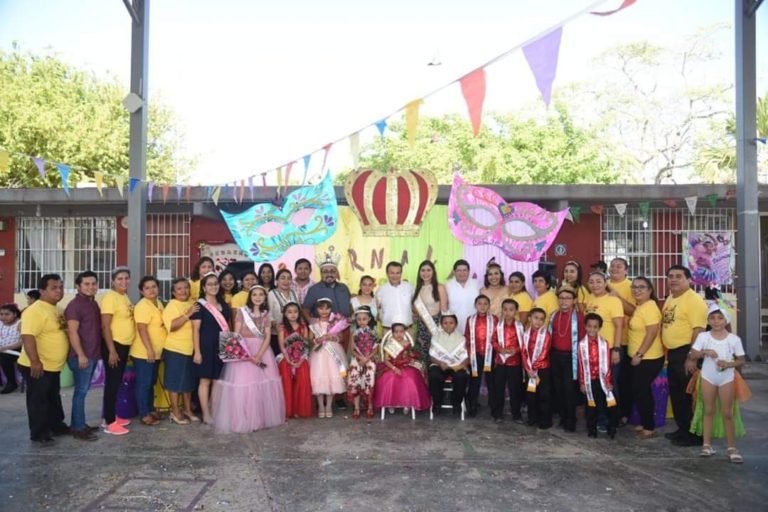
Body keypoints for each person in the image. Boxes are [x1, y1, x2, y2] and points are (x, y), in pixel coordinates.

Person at [212, 285, 285, 433]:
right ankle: (243, 420)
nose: (257, 297)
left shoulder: (266, 315)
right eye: (254, 295)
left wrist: (258, 355)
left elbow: (267, 337)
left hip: (262, 352)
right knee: (243, 388)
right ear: (250, 297)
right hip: (243, 353)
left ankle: (260, 419)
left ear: (265, 298)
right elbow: (236, 335)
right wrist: (247, 355)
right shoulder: (241, 312)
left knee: (261, 387)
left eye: (261, 295)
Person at [687, 306, 746, 463]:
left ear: (726, 320)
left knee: (727, 412)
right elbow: (693, 354)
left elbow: (741, 360)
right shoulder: (703, 336)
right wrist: (705, 352)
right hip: (708, 376)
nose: (716, 321)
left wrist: (729, 364)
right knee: (708, 409)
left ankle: (732, 447)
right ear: (708, 320)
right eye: (712, 318)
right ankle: (706, 445)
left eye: (720, 318)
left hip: (726, 377)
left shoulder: (734, 339)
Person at [17, 274, 69, 445]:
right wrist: (35, 361)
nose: (59, 290)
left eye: (61, 287)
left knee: (53, 396)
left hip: (53, 366)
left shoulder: (57, 309)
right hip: (38, 365)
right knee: (39, 400)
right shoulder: (35, 310)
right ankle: (39, 433)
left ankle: (56, 425)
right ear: (42, 291)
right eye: (54, 287)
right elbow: (28, 336)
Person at [661, 264, 708, 447]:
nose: (673, 279)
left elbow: (699, 329)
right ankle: (682, 429)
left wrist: (692, 357)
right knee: (677, 394)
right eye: (671, 276)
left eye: (678, 276)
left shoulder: (693, 300)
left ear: (689, 279)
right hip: (673, 353)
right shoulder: (671, 298)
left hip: (686, 352)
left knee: (689, 396)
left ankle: (695, 435)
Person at [64, 271, 102, 440]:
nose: (90, 287)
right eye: (86, 284)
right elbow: (72, 332)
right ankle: (79, 429)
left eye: (93, 283)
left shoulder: (93, 303)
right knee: (81, 392)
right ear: (78, 286)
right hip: (81, 356)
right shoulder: (74, 306)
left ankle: (78, 424)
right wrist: (80, 355)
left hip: (92, 355)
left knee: (83, 391)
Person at [626, 277, 665, 439]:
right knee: (639, 390)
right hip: (640, 358)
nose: (637, 290)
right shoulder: (640, 306)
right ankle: (644, 421)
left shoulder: (650, 307)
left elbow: (652, 333)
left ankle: (649, 427)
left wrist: (639, 354)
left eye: (642, 287)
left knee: (642, 392)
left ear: (650, 290)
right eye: (634, 287)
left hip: (648, 358)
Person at [584, 271, 624, 424]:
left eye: (598, 281)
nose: (595, 285)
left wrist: (616, 349)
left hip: (608, 350)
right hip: (592, 350)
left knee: (610, 385)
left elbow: (619, 326)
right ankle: (600, 417)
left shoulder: (613, 301)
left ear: (606, 282)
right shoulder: (590, 298)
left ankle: (614, 418)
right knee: (595, 385)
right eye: (592, 281)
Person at [192, 272, 231, 424]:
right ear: (203, 287)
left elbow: (229, 325)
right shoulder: (199, 305)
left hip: (221, 346)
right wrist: (197, 351)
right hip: (205, 347)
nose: (213, 286)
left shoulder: (224, 304)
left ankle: (213, 409)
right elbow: (195, 330)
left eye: (215, 283)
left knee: (217, 380)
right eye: (210, 284)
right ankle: (206, 414)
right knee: (205, 380)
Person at [100, 267, 136, 435]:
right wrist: (111, 350)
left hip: (124, 345)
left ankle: (111, 415)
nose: (124, 281)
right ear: (113, 281)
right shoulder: (110, 298)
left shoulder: (124, 296)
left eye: (126, 278)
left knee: (117, 383)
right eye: (120, 279)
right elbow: (105, 325)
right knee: (112, 384)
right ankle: (109, 422)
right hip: (114, 345)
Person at [162, 278, 200, 425]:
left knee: (188, 382)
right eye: (179, 288)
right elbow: (171, 326)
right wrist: (187, 314)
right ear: (173, 292)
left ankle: (187, 409)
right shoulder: (172, 305)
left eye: (186, 288)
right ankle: (175, 411)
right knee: (175, 382)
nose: (183, 291)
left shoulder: (192, 303)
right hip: (176, 349)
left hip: (191, 349)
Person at [373, 320, 430, 415]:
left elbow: (410, 355)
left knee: (410, 378)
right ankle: (390, 403)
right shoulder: (390, 344)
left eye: (401, 332)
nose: (399, 334)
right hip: (391, 366)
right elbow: (386, 360)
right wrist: (394, 368)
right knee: (389, 378)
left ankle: (407, 403)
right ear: (392, 333)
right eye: (396, 332)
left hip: (405, 365)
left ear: (404, 332)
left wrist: (411, 358)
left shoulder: (407, 343)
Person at [131, 276, 167, 427]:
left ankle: (151, 409)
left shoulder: (158, 303)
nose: (151, 290)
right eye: (147, 288)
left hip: (157, 352)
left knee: (151, 382)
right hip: (144, 352)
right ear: (141, 291)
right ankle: (144, 414)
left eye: (154, 286)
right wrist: (150, 350)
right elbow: (142, 329)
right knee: (144, 383)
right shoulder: (142, 306)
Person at [548, 285, 584, 432]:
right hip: (555, 356)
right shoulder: (553, 315)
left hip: (572, 358)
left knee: (569, 390)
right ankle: (563, 418)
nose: (564, 301)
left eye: (568, 298)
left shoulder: (579, 317)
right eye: (561, 298)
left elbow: (582, 339)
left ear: (574, 300)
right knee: (558, 389)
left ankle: (571, 420)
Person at [578, 313, 618, 439]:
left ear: (599, 328)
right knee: (591, 405)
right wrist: (582, 382)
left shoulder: (604, 344)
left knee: (609, 404)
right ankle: (592, 429)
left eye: (595, 327)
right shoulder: (581, 344)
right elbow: (580, 365)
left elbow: (607, 364)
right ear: (585, 326)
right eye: (589, 326)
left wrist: (608, 381)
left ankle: (611, 428)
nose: (592, 329)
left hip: (603, 380)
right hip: (589, 381)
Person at [607, 257, 636, 424]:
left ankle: (622, 415)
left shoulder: (631, 286)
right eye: (612, 266)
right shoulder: (602, 284)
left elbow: (634, 311)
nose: (615, 268)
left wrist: (618, 297)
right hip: (605, 342)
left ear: (626, 270)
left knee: (622, 381)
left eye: (619, 266)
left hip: (624, 341)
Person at [309, 298, 347, 418]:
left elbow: (340, 338)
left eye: (327, 308)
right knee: (319, 378)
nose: (324, 311)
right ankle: (320, 405)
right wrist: (317, 340)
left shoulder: (335, 322)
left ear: (331, 309)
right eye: (321, 308)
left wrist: (332, 338)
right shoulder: (314, 323)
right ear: (317, 309)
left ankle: (329, 406)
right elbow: (310, 339)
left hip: (333, 351)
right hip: (318, 353)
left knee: (332, 379)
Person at [277, 301, 314, 419]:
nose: (293, 315)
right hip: (287, 360)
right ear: (285, 314)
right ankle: (288, 410)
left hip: (301, 360)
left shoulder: (303, 328)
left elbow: (306, 344)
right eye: (289, 312)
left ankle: (299, 409)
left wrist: (301, 360)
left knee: (301, 385)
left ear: (299, 313)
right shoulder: (282, 328)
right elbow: (282, 345)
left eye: (295, 312)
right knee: (287, 385)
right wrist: (288, 360)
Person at [428, 312, 469, 417]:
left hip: (456, 365)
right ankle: (437, 404)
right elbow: (432, 356)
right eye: (445, 323)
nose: (448, 325)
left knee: (461, 376)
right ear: (441, 324)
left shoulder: (461, 338)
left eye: (451, 323)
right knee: (434, 375)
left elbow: (465, 357)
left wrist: (463, 364)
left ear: (456, 324)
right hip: (440, 364)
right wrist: (439, 363)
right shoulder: (436, 337)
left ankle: (456, 404)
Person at [490, 299, 524, 423]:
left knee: (515, 389)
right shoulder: (497, 326)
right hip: (500, 362)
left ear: (516, 311)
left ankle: (516, 414)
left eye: (511, 309)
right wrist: (500, 349)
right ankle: (498, 413)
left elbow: (524, 344)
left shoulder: (520, 326)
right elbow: (493, 340)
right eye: (505, 309)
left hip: (515, 363)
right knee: (499, 388)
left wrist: (516, 350)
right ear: (502, 310)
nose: (508, 312)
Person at [464, 294, 497, 417]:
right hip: (475, 355)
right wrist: (468, 354)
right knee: (474, 381)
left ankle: (494, 408)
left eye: (485, 304)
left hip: (490, 354)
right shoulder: (470, 319)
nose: (482, 306)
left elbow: (497, 337)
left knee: (491, 382)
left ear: (489, 305)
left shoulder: (494, 319)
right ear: (475, 305)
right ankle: (472, 406)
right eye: (479, 303)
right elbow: (467, 337)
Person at [412, 260, 448, 366]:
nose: (425, 273)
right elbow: (415, 309)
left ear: (433, 272)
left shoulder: (440, 287)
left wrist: (443, 328)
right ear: (419, 273)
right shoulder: (417, 289)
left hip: (436, 325)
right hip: (422, 325)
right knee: (422, 354)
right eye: (423, 270)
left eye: (428, 270)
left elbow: (444, 310)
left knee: (436, 354)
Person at [521, 308, 552, 429]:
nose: (538, 321)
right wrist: (528, 369)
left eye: (541, 319)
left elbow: (544, 352)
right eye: (535, 318)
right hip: (529, 370)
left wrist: (534, 367)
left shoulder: (546, 334)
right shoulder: (526, 334)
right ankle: (532, 418)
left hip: (542, 370)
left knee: (543, 395)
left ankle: (544, 420)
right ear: (530, 318)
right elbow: (523, 352)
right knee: (531, 394)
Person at [346, 306, 379, 420]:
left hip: (369, 359)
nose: (361, 321)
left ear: (369, 319)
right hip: (357, 359)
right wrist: (360, 358)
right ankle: (356, 408)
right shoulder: (354, 332)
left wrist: (367, 358)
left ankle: (370, 406)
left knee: (369, 380)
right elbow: (352, 349)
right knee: (355, 380)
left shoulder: (373, 332)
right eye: (359, 319)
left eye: (364, 319)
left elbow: (375, 349)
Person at [444, 259, 481, 333]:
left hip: (475, 327)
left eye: (465, 270)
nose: (462, 273)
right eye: (459, 270)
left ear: (468, 271)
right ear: (454, 272)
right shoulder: (447, 286)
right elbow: (445, 307)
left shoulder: (477, 284)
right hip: (454, 328)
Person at [376, 261, 414, 330]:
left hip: (407, 329)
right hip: (388, 329)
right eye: (392, 273)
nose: (395, 276)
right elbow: (377, 309)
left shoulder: (409, 287)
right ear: (387, 274)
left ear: (401, 273)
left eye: (397, 273)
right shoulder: (381, 290)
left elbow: (415, 305)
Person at [268, 269, 299, 355]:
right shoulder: (271, 294)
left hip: (294, 333)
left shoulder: (294, 293)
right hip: (277, 334)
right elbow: (268, 314)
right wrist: (275, 325)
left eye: (289, 278)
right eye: (283, 278)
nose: (286, 281)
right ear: (276, 281)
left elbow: (298, 311)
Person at [0, 303, 22, 394]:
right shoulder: (0, 323)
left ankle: (12, 383)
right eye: (1, 314)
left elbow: (22, 342)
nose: (3, 317)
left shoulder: (20, 324)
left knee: (4, 358)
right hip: (1, 349)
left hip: (15, 350)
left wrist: (5, 348)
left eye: (7, 314)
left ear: (15, 314)